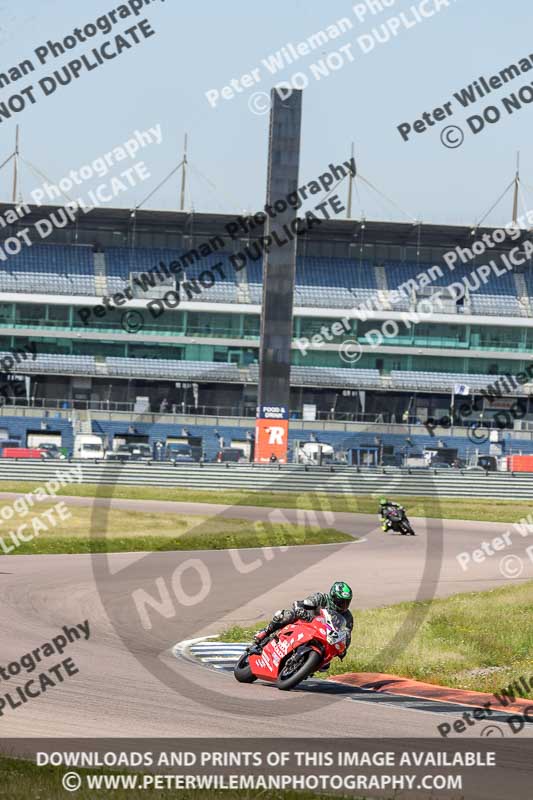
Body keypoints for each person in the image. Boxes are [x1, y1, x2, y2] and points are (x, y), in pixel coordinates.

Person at [251, 582, 353, 658]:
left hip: (322, 637)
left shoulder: (347, 617)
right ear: (333, 596)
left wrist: (343, 649)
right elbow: (300, 603)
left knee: (327, 661)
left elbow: (346, 636)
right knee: (287, 615)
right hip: (305, 623)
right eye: (341, 601)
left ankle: (306, 665)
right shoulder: (321, 598)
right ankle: (265, 632)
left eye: (346, 602)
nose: (344, 605)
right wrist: (300, 610)